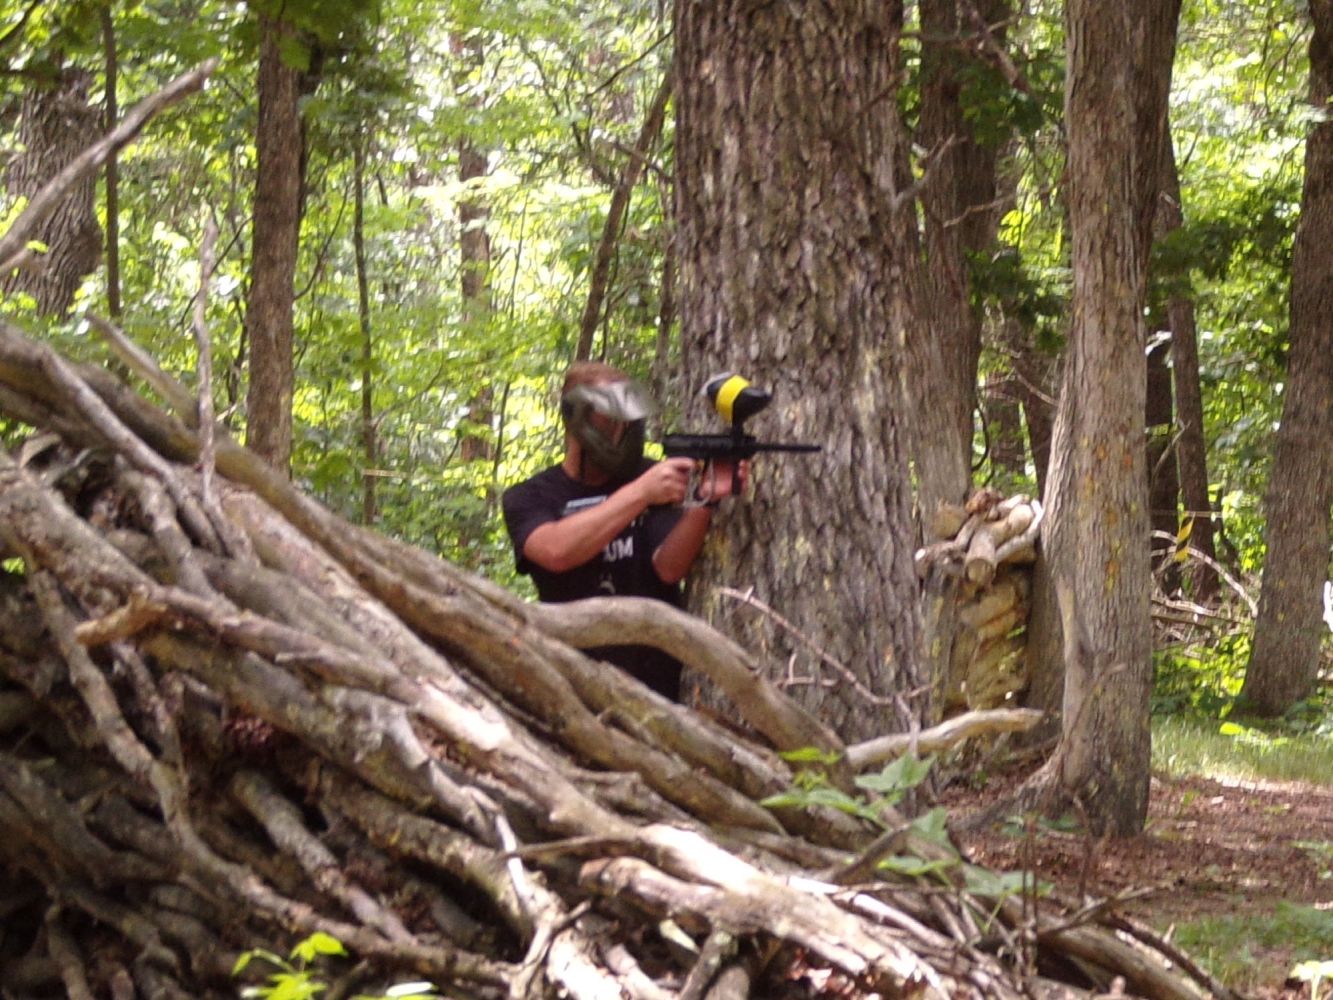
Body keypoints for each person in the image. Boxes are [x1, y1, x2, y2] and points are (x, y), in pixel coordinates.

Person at [501, 361, 743, 701]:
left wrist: (706, 500)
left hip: (657, 688)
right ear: (577, 418)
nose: (622, 428)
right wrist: (641, 493)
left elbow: (668, 567)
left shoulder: (651, 478)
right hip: (573, 686)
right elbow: (555, 551)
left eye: (627, 415)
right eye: (610, 416)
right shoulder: (530, 496)